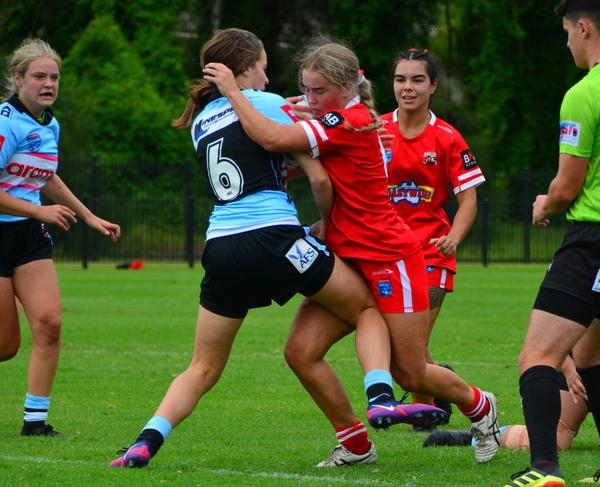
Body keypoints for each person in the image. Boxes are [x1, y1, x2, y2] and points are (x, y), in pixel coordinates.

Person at [110, 28, 442, 470]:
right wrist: (328, 219)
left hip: (221, 248)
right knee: (366, 310)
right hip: (276, 239)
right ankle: (380, 396)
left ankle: (147, 440)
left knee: (203, 367)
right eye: (264, 68)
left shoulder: (199, 122)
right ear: (244, 69)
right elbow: (320, 169)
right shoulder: (266, 104)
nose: (268, 79)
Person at [205, 40, 501, 464]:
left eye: (318, 90)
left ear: (346, 86)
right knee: (301, 352)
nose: (310, 98)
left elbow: (270, 137)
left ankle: (482, 407)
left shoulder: (350, 119)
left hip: (389, 258)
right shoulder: (351, 117)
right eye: (305, 89)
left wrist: (234, 93)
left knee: (411, 371)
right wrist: (297, 108)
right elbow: (310, 134)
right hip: (347, 258)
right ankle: (356, 444)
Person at [507, 1, 600, 485]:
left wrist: (544, 204)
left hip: (596, 240)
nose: (567, 43)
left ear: (584, 28)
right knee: (591, 355)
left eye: (568, 33)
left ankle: (544, 466)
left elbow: (567, 188)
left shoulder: (583, 94)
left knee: (537, 356)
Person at [0, 39, 121, 436]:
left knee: (50, 324)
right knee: (5, 345)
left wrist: (88, 216)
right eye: (39, 76)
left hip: (28, 239)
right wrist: (38, 210)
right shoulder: (5, 120)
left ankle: (35, 423)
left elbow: (44, 176)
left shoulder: (49, 123)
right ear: (18, 79)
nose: (48, 83)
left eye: (54, 77)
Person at [380, 47, 485, 427]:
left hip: (430, 255)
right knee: (400, 351)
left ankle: (436, 409)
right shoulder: (376, 131)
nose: (407, 87)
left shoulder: (447, 138)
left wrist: (453, 238)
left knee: (409, 347)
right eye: (400, 79)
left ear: (433, 86)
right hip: (385, 257)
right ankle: (433, 398)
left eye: (417, 79)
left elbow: (469, 200)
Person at [425, 299, 600, 453]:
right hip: (578, 369)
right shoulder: (594, 269)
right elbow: (549, 335)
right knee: (552, 442)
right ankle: (482, 436)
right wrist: (569, 368)